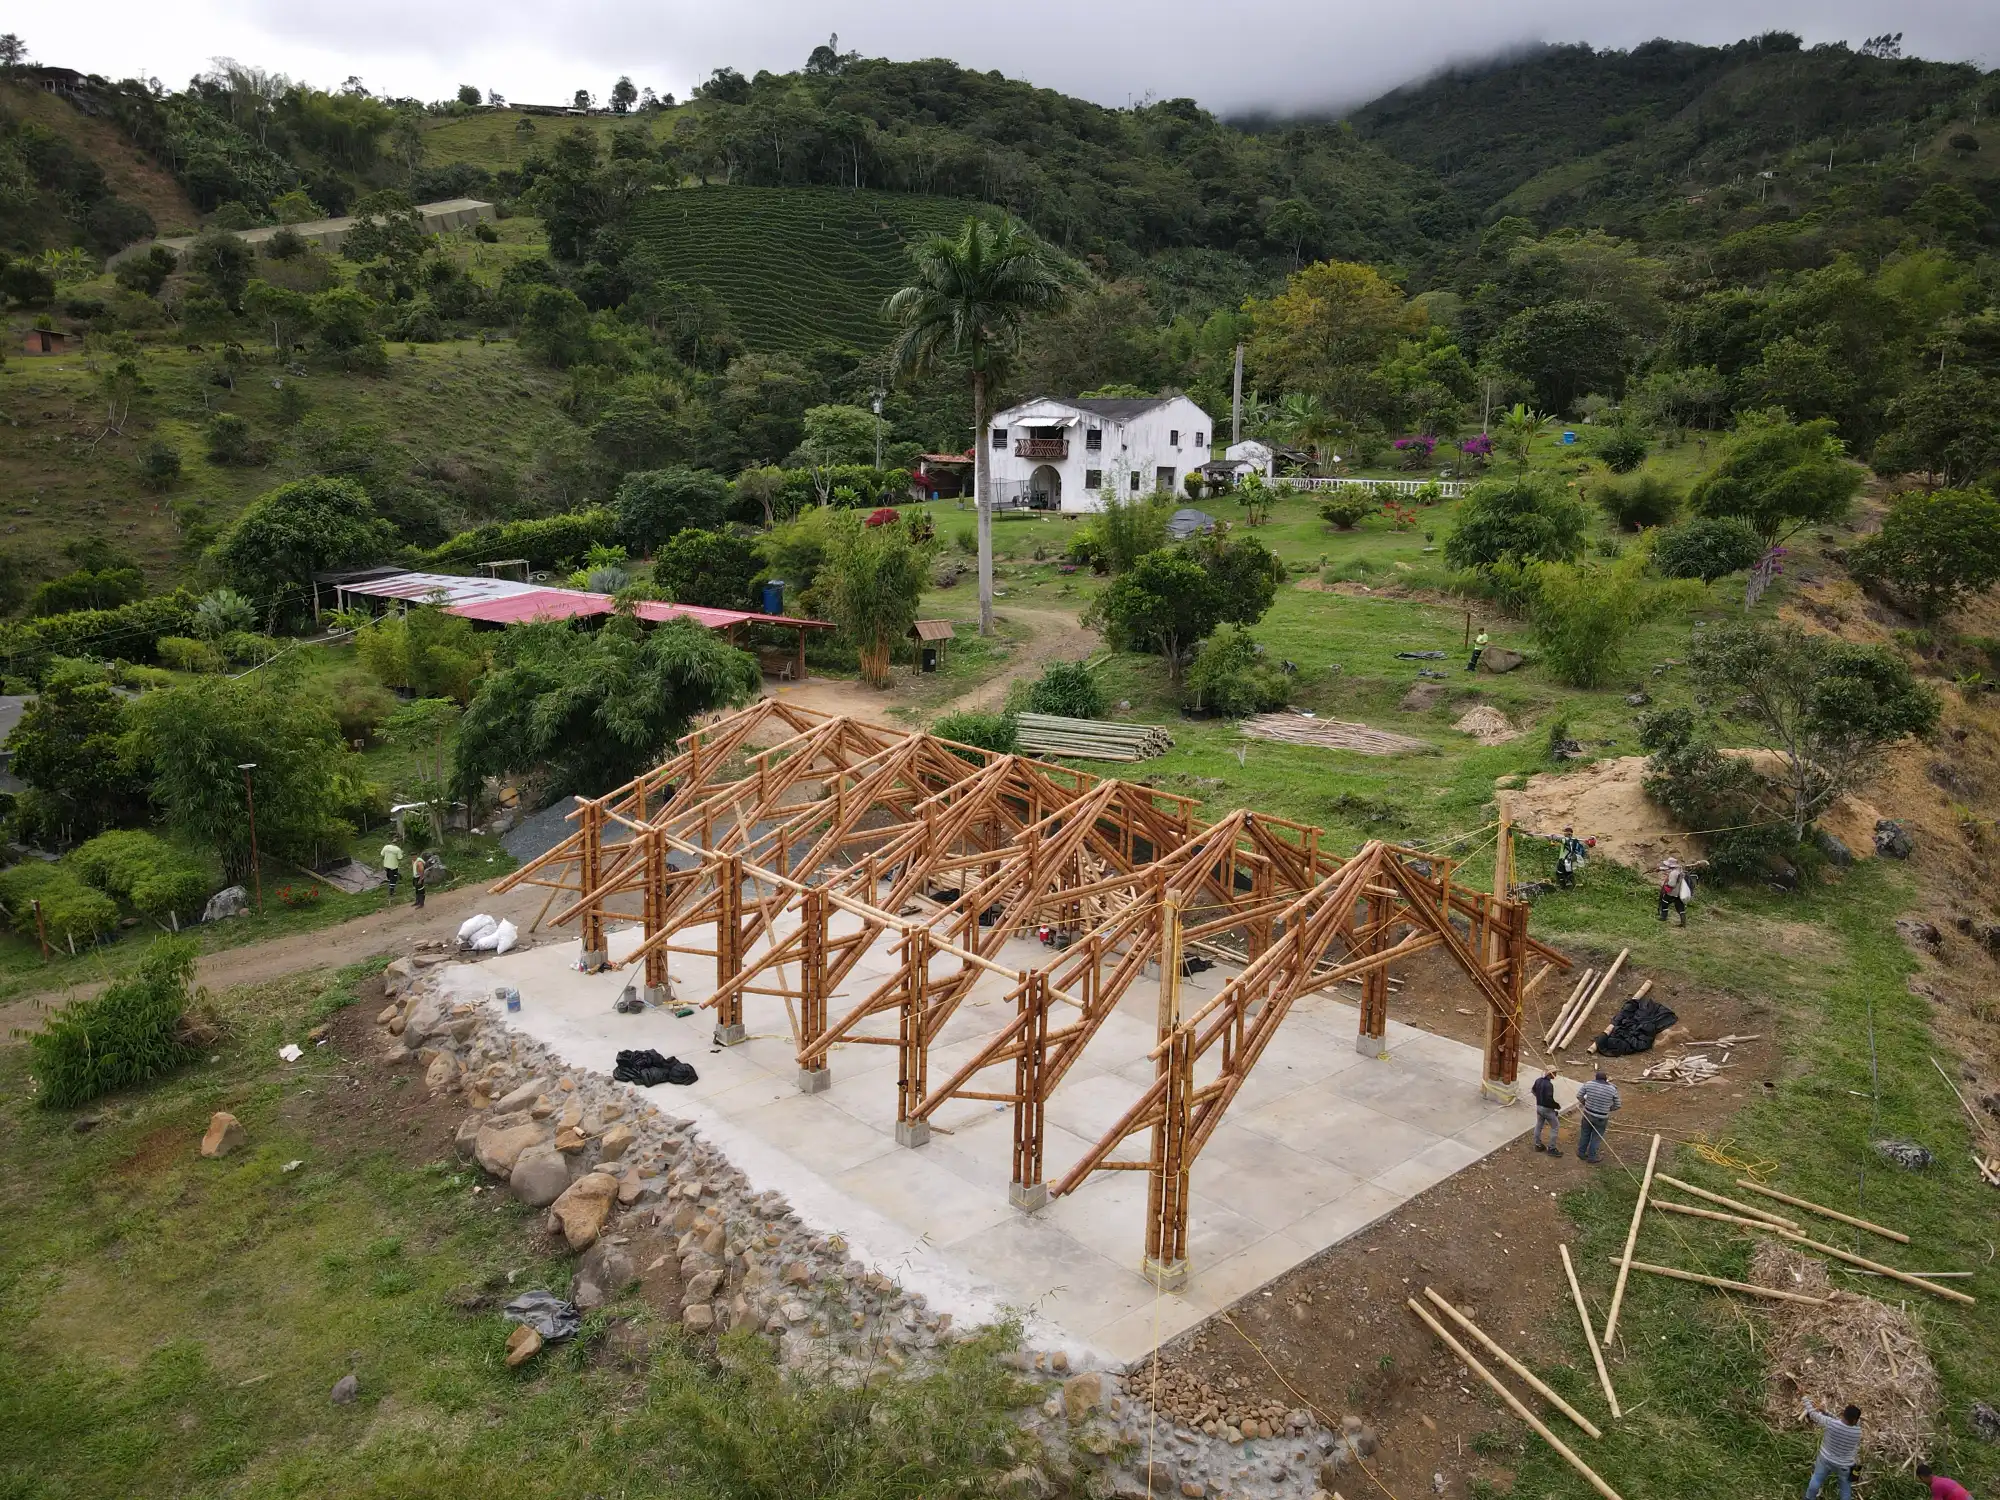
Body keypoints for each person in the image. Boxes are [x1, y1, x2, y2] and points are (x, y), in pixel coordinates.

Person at [1801, 1398, 1862, 1500]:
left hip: (1825, 1459)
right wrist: (1826, 1412)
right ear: (1855, 1420)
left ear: (1843, 1414)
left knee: (1816, 1480)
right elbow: (1841, 1422)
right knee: (1845, 1489)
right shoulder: (1858, 1431)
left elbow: (1812, 1414)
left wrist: (1805, 1398)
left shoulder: (1831, 1423)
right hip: (1845, 1465)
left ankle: (1809, 1498)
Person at [1575, 1068, 1619, 1163]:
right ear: (1606, 1079)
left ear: (1595, 1078)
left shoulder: (1589, 1084)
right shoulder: (1612, 1089)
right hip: (1601, 1117)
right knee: (1596, 1137)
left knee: (1585, 1133)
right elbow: (1618, 1105)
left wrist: (1585, 1103)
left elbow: (1579, 1096)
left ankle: (1581, 1153)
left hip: (1588, 1114)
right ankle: (1592, 1157)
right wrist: (1609, 1109)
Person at [1531, 1066, 1563, 1156]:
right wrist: (1557, 1106)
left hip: (1539, 1107)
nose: (1556, 1074)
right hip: (1547, 1109)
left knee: (1539, 1125)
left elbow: (1533, 1091)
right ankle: (1551, 1148)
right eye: (1555, 1073)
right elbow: (1549, 1100)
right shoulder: (1549, 1085)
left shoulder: (1538, 1080)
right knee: (1555, 1126)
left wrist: (1539, 1098)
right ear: (1550, 1074)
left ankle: (1538, 1144)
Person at [1657, 855, 1692, 926]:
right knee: (1680, 907)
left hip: (1672, 892)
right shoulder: (1679, 871)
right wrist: (1660, 868)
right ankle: (1683, 921)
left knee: (1664, 902)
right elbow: (1666, 869)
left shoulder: (1673, 873)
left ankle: (1663, 917)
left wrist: (1666, 884)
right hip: (1679, 893)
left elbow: (1672, 884)